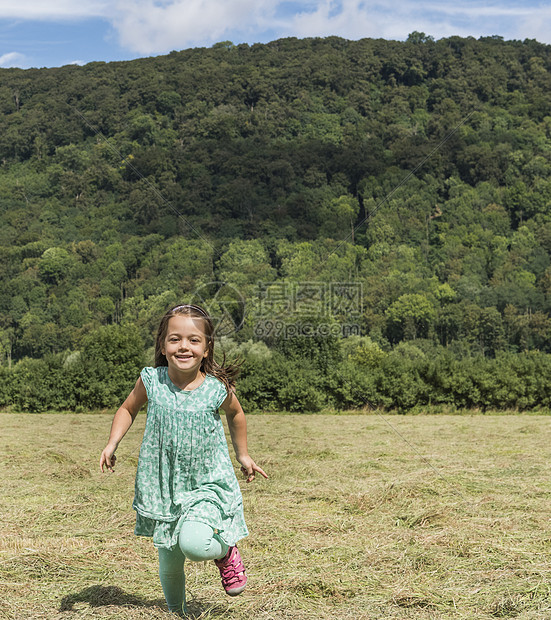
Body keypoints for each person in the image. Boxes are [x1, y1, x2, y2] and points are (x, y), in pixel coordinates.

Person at [99, 303, 268, 617]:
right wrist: (112, 443)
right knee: (170, 559)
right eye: (175, 339)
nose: (184, 346)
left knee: (193, 543)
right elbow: (128, 409)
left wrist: (242, 454)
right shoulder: (152, 381)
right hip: (164, 484)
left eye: (193, 340)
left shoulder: (216, 389)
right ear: (163, 346)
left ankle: (226, 549)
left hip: (206, 482)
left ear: (206, 349)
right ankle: (177, 612)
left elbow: (237, 414)